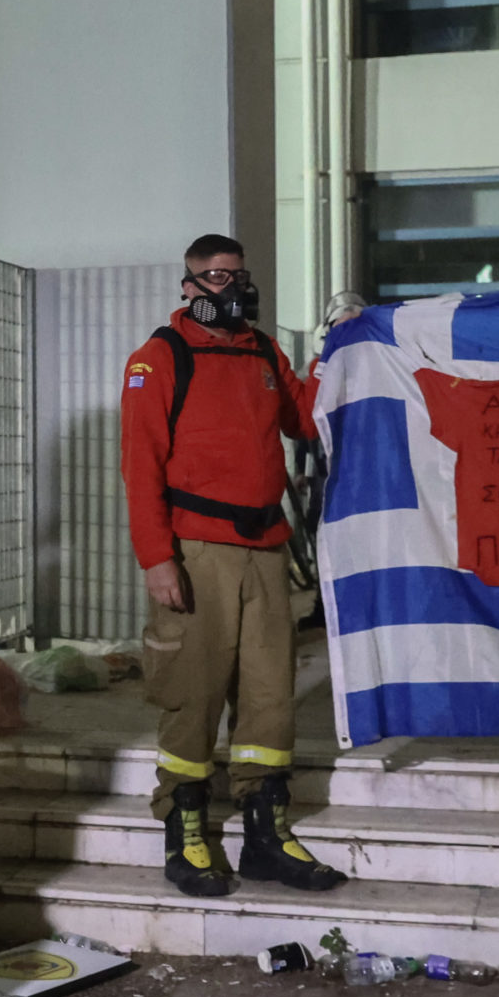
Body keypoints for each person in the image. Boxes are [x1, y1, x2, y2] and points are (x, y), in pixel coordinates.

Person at [121, 235, 345, 900]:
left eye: (238, 275)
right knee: (192, 694)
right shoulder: (159, 358)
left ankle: (265, 837)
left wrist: (335, 353)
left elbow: (305, 421)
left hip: (266, 550)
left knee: (270, 695)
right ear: (189, 287)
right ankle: (185, 833)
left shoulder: (263, 353)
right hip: (197, 553)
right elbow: (139, 466)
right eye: (216, 276)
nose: (232, 287)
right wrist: (157, 559)